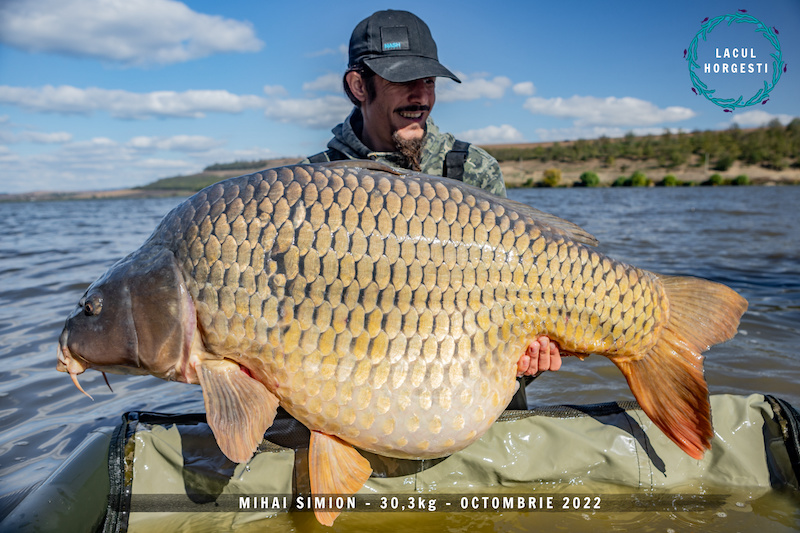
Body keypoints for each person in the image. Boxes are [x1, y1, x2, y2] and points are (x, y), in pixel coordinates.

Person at [303, 9, 562, 409]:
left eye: (427, 81)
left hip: (465, 393)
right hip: (360, 396)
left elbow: (517, 300)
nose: (421, 96)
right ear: (358, 86)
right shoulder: (311, 185)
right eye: (404, 80)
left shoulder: (472, 169)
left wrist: (531, 356)